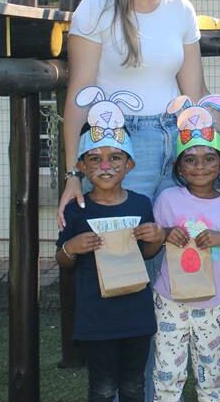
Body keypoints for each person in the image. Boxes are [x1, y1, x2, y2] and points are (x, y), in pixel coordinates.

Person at [58, 0, 220, 227]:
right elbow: (79, 97)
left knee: (180, 250)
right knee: (127, 250)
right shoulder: (95, 10)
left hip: (180, 141)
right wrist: (71, 174)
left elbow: (196, 92)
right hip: (122, 144)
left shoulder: (181, 9)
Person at [56, 88, 166, 402]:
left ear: (129, 165)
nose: (106, 166)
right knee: (102, 388)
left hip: (136, 314)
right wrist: (72, 248)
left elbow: (145, 255)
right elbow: (62, 259)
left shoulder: (142, 204)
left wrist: (156, 239)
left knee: (133, 387)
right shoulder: (77, 208)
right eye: (95, 159)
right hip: (96, 317)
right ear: (83, 166)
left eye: (115, 157)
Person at [151, 95, 220, 402]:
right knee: (167, 372)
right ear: (179, 166)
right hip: (170, 301)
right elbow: (151, 245)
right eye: (190, 159)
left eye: (209, 158)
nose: (199, 166)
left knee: (210, 372)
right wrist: (166, 233)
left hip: (212, 303)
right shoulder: (168, 200)